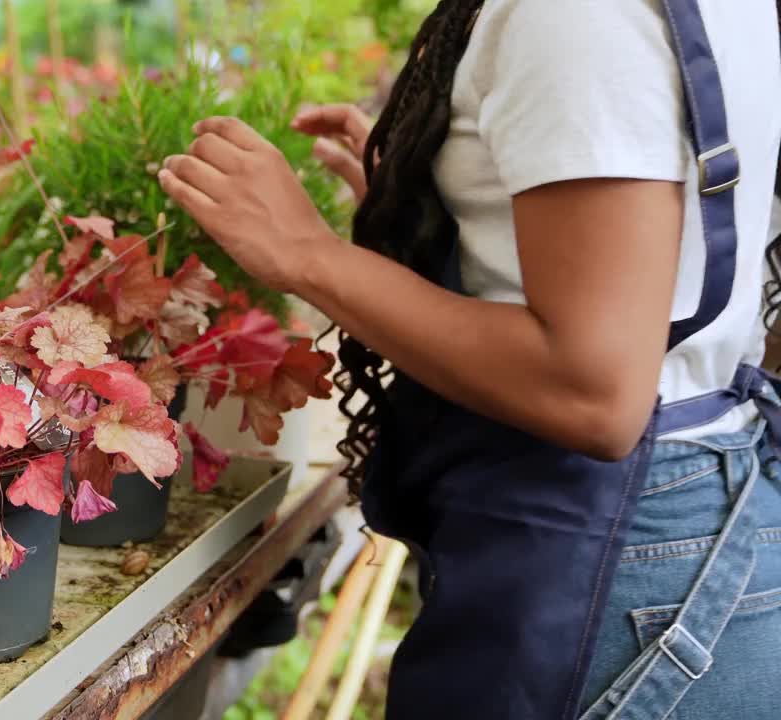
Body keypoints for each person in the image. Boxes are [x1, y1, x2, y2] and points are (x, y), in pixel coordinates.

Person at [157, 1, 781, 718]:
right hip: (673, 538)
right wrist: (442, 203)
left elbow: (595, 394)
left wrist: (309, 253)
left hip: (617, 573)